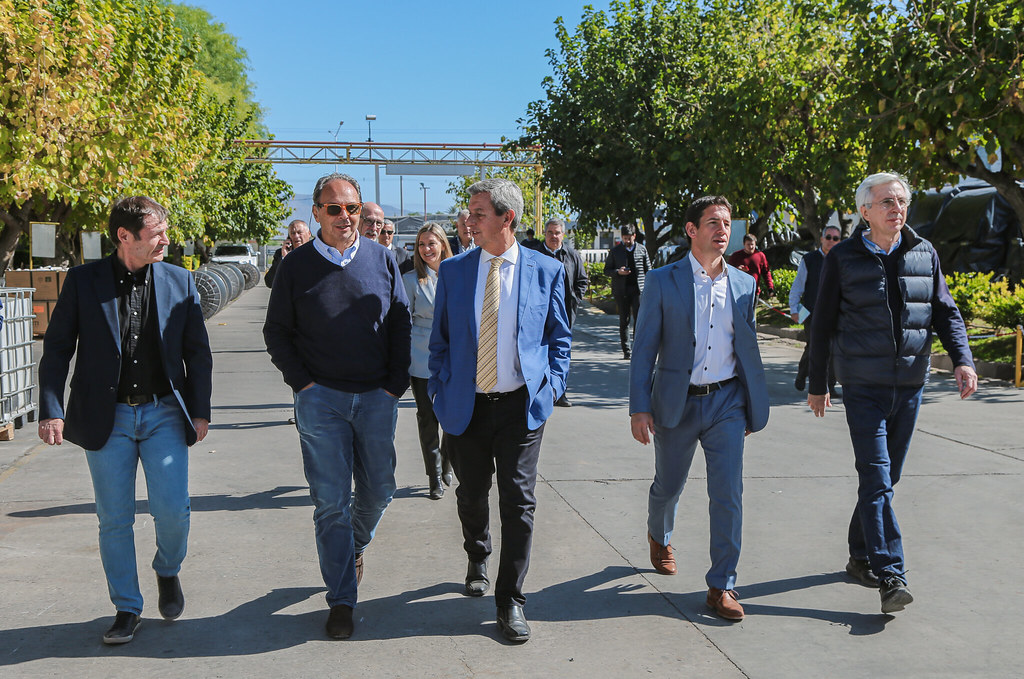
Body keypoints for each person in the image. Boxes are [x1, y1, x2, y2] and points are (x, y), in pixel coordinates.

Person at [37, 196, 213, 644]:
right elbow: (57, 349)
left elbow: (197, 351)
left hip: (163, 414)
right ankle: (126, 608)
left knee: (172, 511)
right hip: (105, 417)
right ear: (124, 237)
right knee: (114, 519)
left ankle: (167, 569)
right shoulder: (83, 282)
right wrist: (52, 408)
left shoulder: (180, 281)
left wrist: (200, 409)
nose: (165, 241)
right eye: (156, 234)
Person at [808, 172, 977, 614]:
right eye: (886, 201)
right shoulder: (842, 258)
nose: (896, 208)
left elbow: (945, 311)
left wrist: (963, 359)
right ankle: (891, 574)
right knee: (878, 477)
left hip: (910, 386)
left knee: (885, 479)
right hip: (863, 386)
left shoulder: (925, 252)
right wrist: (818, 382)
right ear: (865, 211)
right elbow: (822, 323)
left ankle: (859, 554)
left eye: (901, 201)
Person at [263, 172, 411, 640]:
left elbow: (400, 324)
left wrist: (394, 385)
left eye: (352, 208)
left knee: (381, 488)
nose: (345, 217)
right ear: (317, 212)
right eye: (334, 209)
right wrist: (302, 384)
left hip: (376, 398)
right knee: (330, 502)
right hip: (320, 399)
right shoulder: (295, 266)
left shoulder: (382, 260)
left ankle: (354, 544)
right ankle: (342, 599)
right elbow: (277, 333)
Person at [428, 178, 571, 643]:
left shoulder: (546, 270)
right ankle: (477, 551)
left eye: (479, 213)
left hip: (520, 408)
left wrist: (550, 389)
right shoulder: (454, 272)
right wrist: (439, 388)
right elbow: (441, 343)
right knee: (471, 494)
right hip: (466, 406)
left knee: (518, 501)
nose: (468, 220)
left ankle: (510, 599)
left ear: (507, 218)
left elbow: (559, 338)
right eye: (469, 212)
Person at [629, 195, 769, 622]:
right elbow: (644, 347)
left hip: (727, 402)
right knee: (668, 485)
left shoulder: (744, 284)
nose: (722, 230)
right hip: (677, 402)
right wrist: (639, 406)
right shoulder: (662, 280)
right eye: (712, 222)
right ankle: (660, 533)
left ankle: (722, 585)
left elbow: (747, 348)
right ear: (692, 230)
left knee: (728, 494)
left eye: (726, 223)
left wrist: (750, 403)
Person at [403, 223, 454, 500]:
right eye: (421, 245)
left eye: (431, 244)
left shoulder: (457, 273)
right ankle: (434, 476)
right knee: (427, 419)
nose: (426, 250)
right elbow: (404, 320)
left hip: (454, 357)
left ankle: (446, 460)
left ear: (442, 245)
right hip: (422, 358)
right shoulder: (411, 280)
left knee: (453, 417)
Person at [526, 218, 589, 406]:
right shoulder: (533, 255)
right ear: (544, 234)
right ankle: (537, 391)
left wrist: (574, 301)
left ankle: (559, 392)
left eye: (557, 232)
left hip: (565, 314)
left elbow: (582, 281)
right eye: (550, 232)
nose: (554, 236)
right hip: (538, 314)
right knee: (539, 351)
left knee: (561, 351)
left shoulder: (572, 256)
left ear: (563, 234)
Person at [789, 225, 841, 394]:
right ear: (822, 239)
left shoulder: (842, 260)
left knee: (833, 349)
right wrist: (794, 309)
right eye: (829, 237)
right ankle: (802, 374)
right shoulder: (809, 260)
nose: (831, 241)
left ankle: (830, 386)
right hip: (813, 313)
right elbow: (798, 286)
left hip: (836, 314)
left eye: (835, 238)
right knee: (813, 347)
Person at [604, 224, 651, 359]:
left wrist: (649, 287)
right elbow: (607, 270)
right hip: (621, 290)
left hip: (638, 290)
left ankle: (637, 348)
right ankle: (627, 351)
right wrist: (618, 272)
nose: (627, 241)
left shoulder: (642, 250)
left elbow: (649, 270)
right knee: (624, 321)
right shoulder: (615, 251)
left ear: (634, 236)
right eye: (625, 238)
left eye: (629, 238)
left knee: (639, 320)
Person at [264, 219, 311, 288]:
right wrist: (284, 258)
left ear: (309, 233)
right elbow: (269, 283)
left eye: (299, 232)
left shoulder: (317, 252)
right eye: (293, 233)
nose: (296, 236)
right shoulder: (280, 254)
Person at [727, 233, 774, 298]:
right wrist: (737, 270)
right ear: (744, 244)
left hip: (754, 292)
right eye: (748, 244)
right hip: (738, 292)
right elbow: (728, 272)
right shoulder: (736, 256)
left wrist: (770, 287)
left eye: (752, 244)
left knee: (752, 308)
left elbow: (766, 272)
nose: (751, 247)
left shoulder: (760, 256)